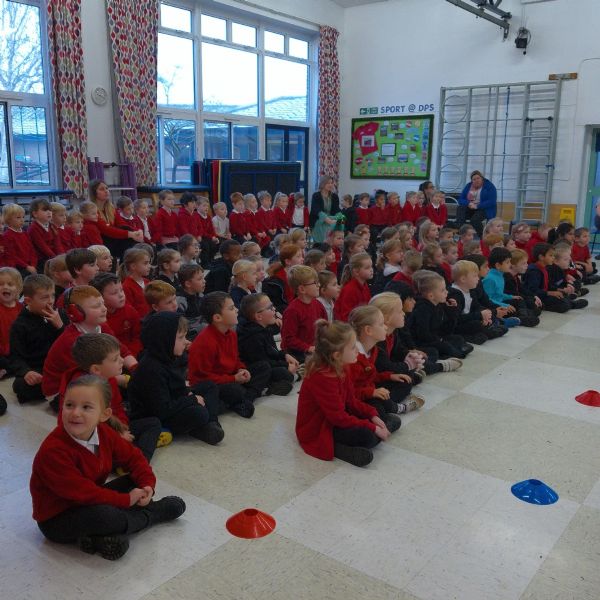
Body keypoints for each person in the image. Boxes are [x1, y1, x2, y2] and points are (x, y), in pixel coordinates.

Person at [30, 374, 185, 561]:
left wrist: (147, 486)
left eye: (86, 407)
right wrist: (126, 500)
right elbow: (84, 493)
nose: (75, 413)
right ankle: (152, 514)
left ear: (104, 414)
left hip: (88, 501)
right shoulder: (53, 451)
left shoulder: (103, 432)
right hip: (57, 519)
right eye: (69, 405)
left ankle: (99, 538)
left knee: (133, 481)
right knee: (106, 516)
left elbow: (134, 458)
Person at [295, 320, 390, 467]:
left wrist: (372, 415)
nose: (357, 351)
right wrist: (372, 427)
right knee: (368, 436)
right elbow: (338, 418)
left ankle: (379, 429)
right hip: (320, 428)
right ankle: (337, 448)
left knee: (379, 413)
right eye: (353, 347)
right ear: (337, 355)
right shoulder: (322, 377)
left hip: (336, 419)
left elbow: (351, 401)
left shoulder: (342, 367)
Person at [62, 334, 164, 462]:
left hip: (112, 429)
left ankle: (134, 455)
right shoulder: (82, 389)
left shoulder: (109, 379)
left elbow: (117, 408)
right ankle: (134, 458)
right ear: (96, 369)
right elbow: (87, 428)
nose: (122, 360)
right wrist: (116, 436)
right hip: (91, 440)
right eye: (115, 359)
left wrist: (122, 428)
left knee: (153, 423)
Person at [129, 312, 224, 445]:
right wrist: (192, 399)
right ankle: (203, 424)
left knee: (209, 386)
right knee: (198, 412)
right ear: (164, 340)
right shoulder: (151, 369)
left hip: (172, 401)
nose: (186, 341)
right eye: (180, 338)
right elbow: (162, 410)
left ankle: (211, 423)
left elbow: (177, 387)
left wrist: (186, 393)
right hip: (156, 415)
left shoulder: (168, 356)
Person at [42, 285, 137, 401]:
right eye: (96, 306)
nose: (104, 309)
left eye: (103, 303)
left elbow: (121, 350)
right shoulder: (72, 341)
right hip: (61, 391)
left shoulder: (102, 326)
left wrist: (136, 369)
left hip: (94, 374)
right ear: (76, 312)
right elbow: (86, 376)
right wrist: (123, 380)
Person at [188, 292, 271, 419]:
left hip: (229, 377)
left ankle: (243, 400)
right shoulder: (205, 342)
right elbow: (203, 379)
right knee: (234, 390)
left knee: (263, 367)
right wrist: (233, 379)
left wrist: (241, 369)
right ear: (217, 318)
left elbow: (235, 359)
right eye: (231, 308)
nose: (237, 310)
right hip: (214, 384)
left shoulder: (231, 334)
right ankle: (241, 399)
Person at [349, 304, 422, 419]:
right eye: (381, 324)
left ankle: (389, 405)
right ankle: (396, 407)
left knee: (405, 381)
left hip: (367, 390)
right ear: (368, 330)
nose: (386, 327)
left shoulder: (373, 349)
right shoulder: (353, 359)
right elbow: (347, 393)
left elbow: (371, 376)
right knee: (381, 413)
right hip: (356, 397)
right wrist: (372, 392)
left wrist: (389, 376)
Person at [9, 275, 64, 405]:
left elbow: (71, 346)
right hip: (38, 369)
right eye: (44, 298)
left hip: (58, 366)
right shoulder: (20, 325)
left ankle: (59, 387)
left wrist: (60, 327)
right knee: (21, 386)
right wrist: (26, 372)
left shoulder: (59, 315)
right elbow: (16, 357)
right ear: (28, 301)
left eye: (52, 296)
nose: (50, 301)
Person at [237, 293, 298, 395]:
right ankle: (265, 388)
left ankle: (282, 380)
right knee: (283, 373)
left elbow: (272, 352)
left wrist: (285, 355)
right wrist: (286, 365)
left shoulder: (264, 328)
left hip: (267, 364)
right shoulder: (252, 336)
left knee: (292, 357)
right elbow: (263, 362)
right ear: (259, 316)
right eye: (270, 308)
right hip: (256, 371)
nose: (274, 309)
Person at [410, 271, 471, 359]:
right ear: (431, 296)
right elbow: (423, 334)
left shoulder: (439, 305)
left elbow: (447, 330)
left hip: (436, 337)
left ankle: (451, 351)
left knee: (457, 338)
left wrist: (452, 311)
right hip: (421, 341)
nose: (447, 292)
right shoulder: (422, 309)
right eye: (442, 290)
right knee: (442, 348)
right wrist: (440, 340)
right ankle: (453, 353)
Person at [448, 260, 506, 344]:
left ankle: (484, 331)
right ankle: (470, 336)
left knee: (487, 318)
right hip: (456, 325)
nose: (478, 279)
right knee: (476, 324)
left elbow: (476, 307)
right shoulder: (455, 294)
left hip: (467, 320)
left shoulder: (470, 290)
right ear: (463, 279)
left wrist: (485, 315)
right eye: (475, 276)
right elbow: (457, 319)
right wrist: (480, 315)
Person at [281, 265, 327, 363]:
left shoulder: (318, 304)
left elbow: (325, 326)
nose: (319, 285)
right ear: (302, 289)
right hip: (298, 354)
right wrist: (308, 348)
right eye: (315, 283)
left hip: (315, 349)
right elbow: (288, 339)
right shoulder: (292, 311)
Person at [92, 272, 142, 357]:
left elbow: (138, 336)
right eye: (114, 293)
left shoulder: (130, 311)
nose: (121, 295)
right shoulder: (97, 318)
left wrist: (131, 354)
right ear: (100, 297)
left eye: (121, 290)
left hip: (132, 354)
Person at [89, 180, 143, 256]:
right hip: (101, 242)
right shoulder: (92, 210)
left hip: (112, 238)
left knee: (136, 244)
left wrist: (137, 231)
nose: (106, 191)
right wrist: (130, 234)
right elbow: (106, 230)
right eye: (101, 189)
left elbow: (121, 224)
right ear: (94, 193)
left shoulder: (110, 208)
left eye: (107, 188)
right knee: (129, 244)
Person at [522, 243, 572, 313]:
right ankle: (544, 305)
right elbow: (533, 290)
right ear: (541, 257)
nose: (553, 258)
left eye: (553, 256)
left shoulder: (544, 268)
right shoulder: (534, 271)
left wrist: (559, 289)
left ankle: (569, 302)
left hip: (544, 294)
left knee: (563, 295)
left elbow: (547, 285)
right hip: (537, 296)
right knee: (563, 304)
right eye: (551, 255)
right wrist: (550, 293)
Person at [262, 243, 303, 314]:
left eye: (302, 256)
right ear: (288, 261)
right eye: (298, 256)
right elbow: (278, 305)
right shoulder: (274, 283)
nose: (302, 259)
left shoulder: (297, 276)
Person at [457, 170, 497, 237]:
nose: (476, 180)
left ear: (482, 178)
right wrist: (468, 203)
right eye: (474, 179)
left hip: (484, 208)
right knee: (460, 208)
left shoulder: (489, 186)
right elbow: (460, 199)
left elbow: (492, 201)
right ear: (472, 181)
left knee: (475, 220)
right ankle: (462, 232)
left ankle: (483, 236)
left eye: (478, 178)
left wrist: (477, 206)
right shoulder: (468, 186)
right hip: (471, 207)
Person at [334, 252, 373, 322]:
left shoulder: (364, 285)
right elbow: (346, 316)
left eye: (371, 266)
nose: (371, 270)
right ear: (356, 272)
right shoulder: (350, 290)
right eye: (367, 268)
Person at [0, 267, 23, 384]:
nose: (5, 287)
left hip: (18, 351)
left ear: (18, 289)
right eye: (1, 284)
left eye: (10, 284)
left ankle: (9, 370)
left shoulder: (22, 308)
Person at [2, 203, 37, 278]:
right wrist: (26, 266)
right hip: (18, 267)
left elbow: (32, 250)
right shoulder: (7, 236)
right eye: (18, 217)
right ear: (8, 219)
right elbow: (12, 256)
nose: (22, 220)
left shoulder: (25, 233)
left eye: (23, 217)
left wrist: (33, 264)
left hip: (30, 266)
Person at [28, 198, 64, 270]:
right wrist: (55, 258)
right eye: (45, 210)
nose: (49, 212)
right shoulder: (33, 228)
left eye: (50, 210)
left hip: (53, 257)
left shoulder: (52, 226)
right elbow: (43, 247)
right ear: (35, 214)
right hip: (42, 260)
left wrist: (62, 256)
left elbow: (57, 244)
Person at [119, 247, 152, 318]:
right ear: (133, 266)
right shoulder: (126, 286)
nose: (149, 266)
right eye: (145, 263)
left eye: (149, 263)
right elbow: (129, 310)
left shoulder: (147, 282)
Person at [176, 263, 206, 339]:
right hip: (189, 335)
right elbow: (181, 326)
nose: (204, 281)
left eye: (203, 278)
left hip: (200, 330)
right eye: (200, 279)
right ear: (188, 284)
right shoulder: (180, 300)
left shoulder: (200, 294)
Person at [310, 175, 340, 243]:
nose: (330, 185)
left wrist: (340, 218)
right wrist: (327, 219)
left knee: (342, 222)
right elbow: (316, 210)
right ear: (322, 184)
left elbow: (337, 210)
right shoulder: (316, 195)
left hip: (331, 218)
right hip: (319, 219)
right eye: (328, 183)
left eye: (331, 183)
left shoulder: (335, 196)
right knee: (328, 225)